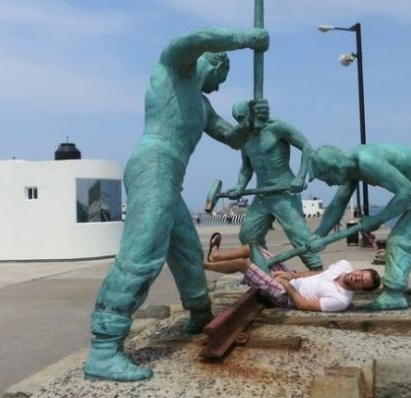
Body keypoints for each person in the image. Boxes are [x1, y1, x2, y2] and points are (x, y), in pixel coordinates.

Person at [84, 27, 269, 382]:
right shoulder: (172, 68)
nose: (217, 86)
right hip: (153, 163)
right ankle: (104, 349)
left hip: (171, 177)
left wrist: (250, 122)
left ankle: (199, 314)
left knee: (185, 250)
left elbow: (233, 139)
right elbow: (196, 38)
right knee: (142, 255)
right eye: (220, 77)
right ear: (211, 62)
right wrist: (247, 39)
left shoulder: (202, 105)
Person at [308, 144, 411, 311]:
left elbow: (407, 192)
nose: (329, 184)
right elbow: (337, 204)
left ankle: (393, 294)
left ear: (333, 167)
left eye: (325, 178)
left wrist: (377, 219)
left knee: (399, 242)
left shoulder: (367, 161)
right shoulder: (351, 168)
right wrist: (320, 235)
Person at [226, 101, 322, 270]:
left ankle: (318, 272)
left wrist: (300, 177)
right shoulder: (244, 138)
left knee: (300, 238)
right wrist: (239, 186)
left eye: (244, 118)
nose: (242, 124)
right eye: (238, 120)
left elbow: (306, 147)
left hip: (284, 191)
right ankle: (268, 270)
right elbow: (246, 167)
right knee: (248, 236)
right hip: (262, 195)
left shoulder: (277, 127)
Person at [204, 232, 381, 311]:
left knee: (243, 264)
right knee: (254, 249)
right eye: (361, 274)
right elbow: (316, 274)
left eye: (361, 281)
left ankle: (204, 266)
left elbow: (303, 305)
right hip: (292, 280)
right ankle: (216, 256)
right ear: (359, 270)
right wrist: (292, 275)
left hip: (285, 296)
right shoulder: (344, 265)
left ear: (359, 290)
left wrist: (287, 285)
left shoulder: (341, 300)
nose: (357, 277)